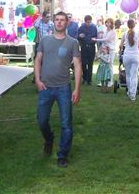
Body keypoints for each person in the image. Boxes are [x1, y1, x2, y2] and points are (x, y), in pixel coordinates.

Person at [34, 11, 82, 167]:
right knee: (42, 121)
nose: (60, 22)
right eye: (57, 20)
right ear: (53, 22)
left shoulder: (72, 42)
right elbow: (38, 60)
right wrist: (37, 80)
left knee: (66, 123)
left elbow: (77, 65)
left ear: (67, 22)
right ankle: (49, 139)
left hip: (63, 88)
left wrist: (77, 89)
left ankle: (62, 155)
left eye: (62, 20)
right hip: (45, 87)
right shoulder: (45, 40)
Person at [119, 19, 139, 101]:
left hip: (127, 56)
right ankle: (133, 94)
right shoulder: (138, 33)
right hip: (135, 55)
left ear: (127, 25)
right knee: (134, 75)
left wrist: (120, 51)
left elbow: (120, 45)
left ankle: (129, 91)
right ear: (134, 25)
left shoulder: (125, 33)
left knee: (128, 75)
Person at [93, 18, 116, 91]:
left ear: (111, 24)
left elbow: (107, 39)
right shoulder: (106, 30)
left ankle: (110, 81)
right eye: (106, 22)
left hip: (110, 50)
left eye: (108, 22)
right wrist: (100, 49)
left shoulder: (113, 31)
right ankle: (102, 81)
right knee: (102, 65)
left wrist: (96, 40)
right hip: (104, 49)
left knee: (110, 65)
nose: (107, 24)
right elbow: (103, 40)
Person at [77, 15, 97, 85]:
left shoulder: (94, 27)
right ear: (85, 21)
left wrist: (90, 39)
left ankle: (89, 80)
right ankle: (85, 78)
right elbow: (78, 36)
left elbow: (95, 37)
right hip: (84, 47)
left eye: (90, 22)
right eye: (87, 22)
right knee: (83, 63)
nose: (88, 23)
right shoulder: (82, 27)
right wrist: (80, 36)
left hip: (91, 47)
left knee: (90, 64)